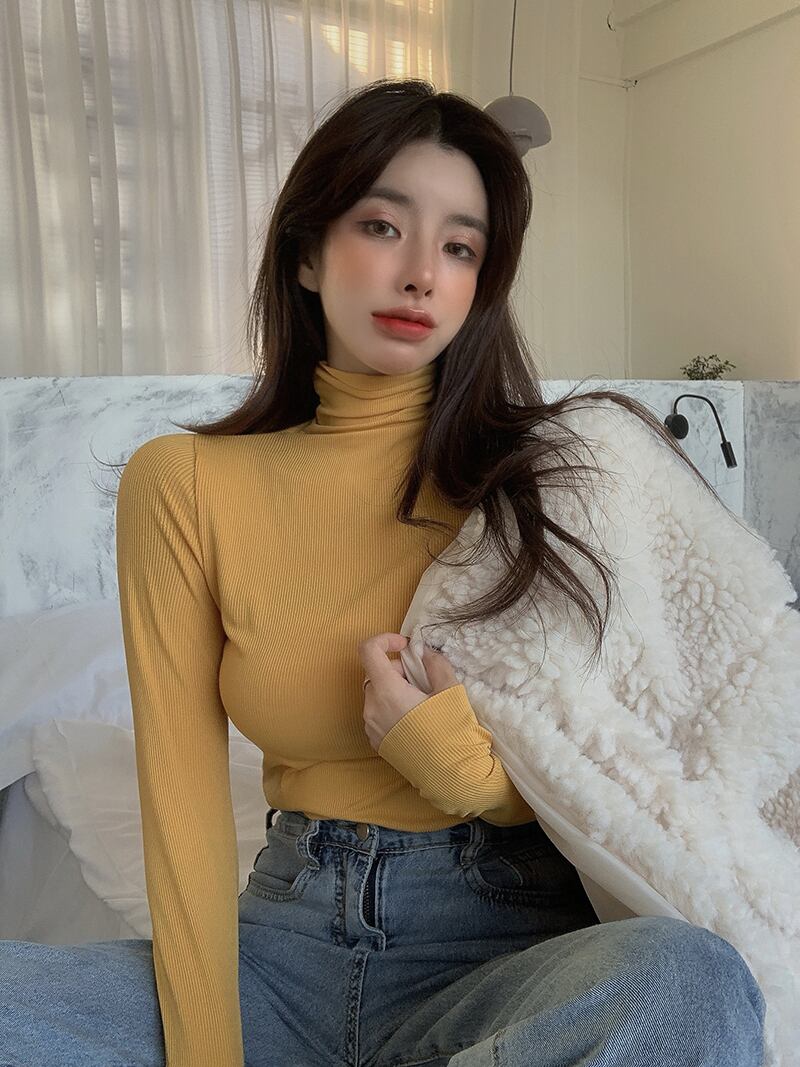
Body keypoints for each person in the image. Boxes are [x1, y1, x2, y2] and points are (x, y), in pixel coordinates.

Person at [0, 77, 765, 1067]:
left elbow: (644, 770)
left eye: (460, 247)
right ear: (306, 252)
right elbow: (182, 809)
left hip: (505, 961)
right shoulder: (184, 483)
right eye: (381, 226)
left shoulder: (555, 479)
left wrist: (467, 773)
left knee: (691, 982)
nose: (420, 274)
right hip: (276, 960)